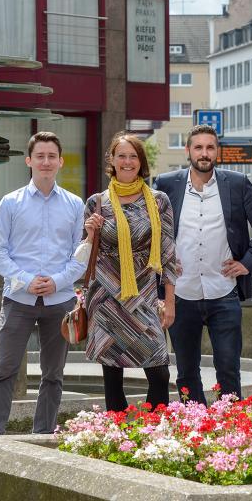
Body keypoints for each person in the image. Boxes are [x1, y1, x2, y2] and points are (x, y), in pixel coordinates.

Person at [153, 124, 252, 405]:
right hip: (181, 293)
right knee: (186, 372)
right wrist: (163, 263)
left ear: (217, 151)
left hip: (224, 292)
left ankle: (230, 430)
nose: (204, 153)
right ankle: (196, 429)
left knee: (229, 369)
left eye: (210, 147)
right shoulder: (166, 184)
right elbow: (149, 228)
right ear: (188, 151)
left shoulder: (237, 183)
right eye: (198, 147)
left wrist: (247, 263)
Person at [0, 132, 86, 435]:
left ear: (60, 161)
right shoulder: (10, 203)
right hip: (18, 300)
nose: (45, 162)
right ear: (29, 161)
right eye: (39, 156)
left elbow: (80, 256)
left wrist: (56, 282)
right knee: (5, 370)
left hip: (60, 302)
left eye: (51, 156)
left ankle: (42, 434)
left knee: (53, 374)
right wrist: (28, 281)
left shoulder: (74, 204)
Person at [83, 132, 177, 411]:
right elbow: (83, 255)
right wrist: (89, 233)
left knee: (160, 373)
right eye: (121, 155)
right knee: (113, 377)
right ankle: (118, 437)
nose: (127, 161)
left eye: (133, 156)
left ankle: (152, 432)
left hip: (144, 294)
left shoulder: (159, 201)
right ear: (112, 159)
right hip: (106, 295)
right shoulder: (96, 202)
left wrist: (169, 301)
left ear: (141, 161)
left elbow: (169, 255)